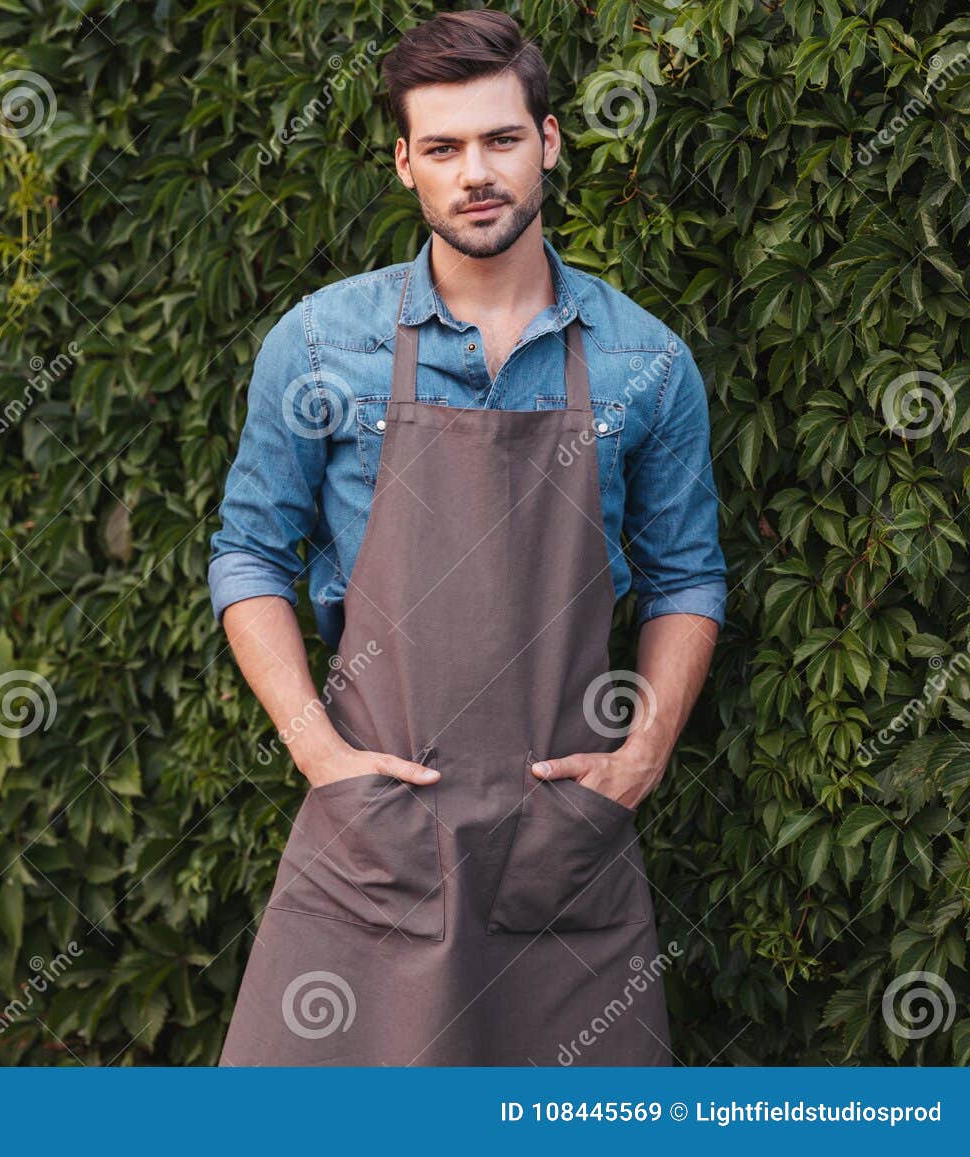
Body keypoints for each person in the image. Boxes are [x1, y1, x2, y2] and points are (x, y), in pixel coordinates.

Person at [208, 9, 725, 1065]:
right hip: (375, 842)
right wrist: (320, 753)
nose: (473, 172)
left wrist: (645, 753)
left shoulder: (645, 361)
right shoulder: (318, 345)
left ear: (548, 141)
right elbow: (250, 553)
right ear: (404, 164)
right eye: (442, 148)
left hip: (561, 850)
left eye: (498, 139)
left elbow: (686, 575)